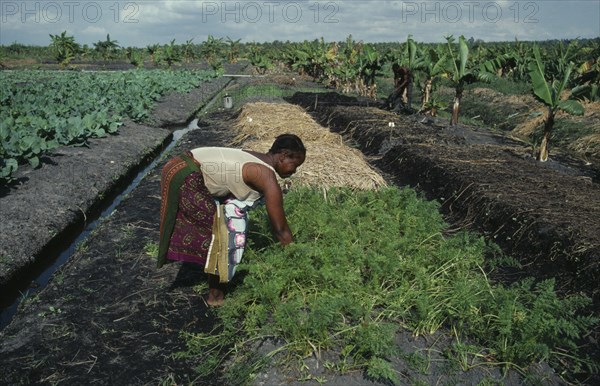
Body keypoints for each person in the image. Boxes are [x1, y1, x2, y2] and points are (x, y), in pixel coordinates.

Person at [158, 134, 306, 306]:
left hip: (179, 164)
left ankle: (213, 277)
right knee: (221, 234)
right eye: (294, 165)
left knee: (220, 226)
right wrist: (297, 259)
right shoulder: (265, 175)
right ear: (283, 156)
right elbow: (281, 229)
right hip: (186, 173)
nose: (294, 171)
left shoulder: (258, 158)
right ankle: (216, 297)